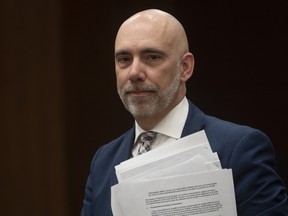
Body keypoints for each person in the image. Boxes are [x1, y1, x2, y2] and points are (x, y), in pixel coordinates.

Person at [81, 9, 288, 216]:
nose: (134, 73)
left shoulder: (239, 149)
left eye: (152, 57)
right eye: (124, 59)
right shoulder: (103, 161)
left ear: (185, 68)